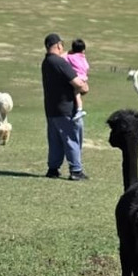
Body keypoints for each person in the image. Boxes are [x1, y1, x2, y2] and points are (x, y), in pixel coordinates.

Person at [41, 32, 90, 180]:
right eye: (62, 45)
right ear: (58, 45)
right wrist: (85, 87)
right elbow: (78, 83)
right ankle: (76, 170)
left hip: (51, 108)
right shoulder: (60, 63)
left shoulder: (46, 63)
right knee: (71, 139)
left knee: (55, 141)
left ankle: (53, 169)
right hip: (65, 108)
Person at [65, 37, 90, 121]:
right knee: (78, 93)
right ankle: (79, 109)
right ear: (83, 50)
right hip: (84, 78)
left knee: (76, 94)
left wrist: (68, 52)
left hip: (77, 78)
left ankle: (79, 110)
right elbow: (87, 67)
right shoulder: (83, 57)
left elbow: (63, 58)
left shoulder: (71, 57)